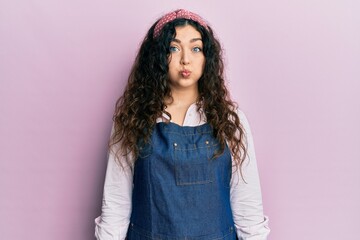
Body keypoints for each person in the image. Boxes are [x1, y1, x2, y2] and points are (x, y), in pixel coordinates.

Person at [95, 9, 270, 240]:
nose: (185, 59)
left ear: (207, 57)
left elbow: (247, 208)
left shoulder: (230, 121)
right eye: (173, 48)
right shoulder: (133, 119)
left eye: (196, 48)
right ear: (158, 56)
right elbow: (116, 204)